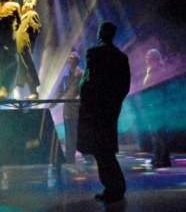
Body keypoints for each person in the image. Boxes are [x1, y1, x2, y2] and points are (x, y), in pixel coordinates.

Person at [77, 21, 131, 204]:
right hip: (111, 109)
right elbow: (125, 85)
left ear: (100, 33)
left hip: (96, 110)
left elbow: (87, 82)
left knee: (101, 150)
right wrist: (114, 104)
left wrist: (86, 104)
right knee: (106, 148)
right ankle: (114, 187)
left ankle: (114, 188)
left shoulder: (94, 53)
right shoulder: (121, 57)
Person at [142, 49, 172, 168]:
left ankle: (163, 158)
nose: (147, 58)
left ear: (155, 58)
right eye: (146, 56)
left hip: (156, 107)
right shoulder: (151, 71)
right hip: (152, 107)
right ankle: (158, 156)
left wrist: (153, 105)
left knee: (159, 133)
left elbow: (159, 91)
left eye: (149, 56)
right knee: (155, 133)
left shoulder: (158, 71)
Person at [54, 51, 83, 163]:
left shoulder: (81, 74)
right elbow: (60, 91)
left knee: (79, 133)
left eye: (72, 58)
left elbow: (83, 89)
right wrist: (53, 103)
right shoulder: (66, 75)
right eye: (69, 58)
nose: (69, 60)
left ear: (77, 60)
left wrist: (78, 98)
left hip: (77, 109)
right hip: (67, 109)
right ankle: (70, 157)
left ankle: (88, 155)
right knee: (69, 134)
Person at [15, 0, 41, 100]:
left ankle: (34, 92)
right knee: (20, 68)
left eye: (29, 2)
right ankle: (17, 93)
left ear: (33, 4)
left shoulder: (32, 14)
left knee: (27, 65)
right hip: (17, 45)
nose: (26, 4)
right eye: (25, 2)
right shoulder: (20, 17)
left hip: (24, 44)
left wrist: (29, 28)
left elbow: (37, 28)